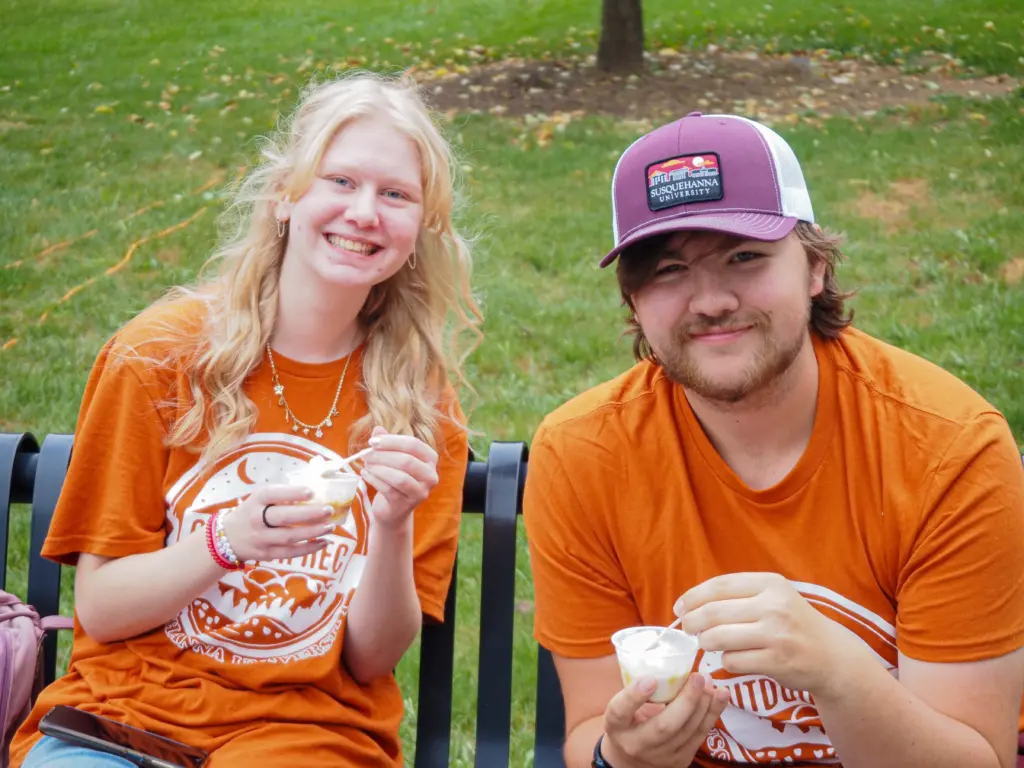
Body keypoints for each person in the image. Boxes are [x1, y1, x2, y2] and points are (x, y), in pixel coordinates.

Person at [523, 111, 1024, 768]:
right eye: (669, 270)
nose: (710, 301)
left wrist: (836, 671)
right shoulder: (581, 456)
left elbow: (976, 757)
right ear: (633, 300)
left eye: (744, 257)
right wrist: (623, 753)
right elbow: (591, 724)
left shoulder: (950, 452)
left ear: (815, 267)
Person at [12, 72, 482, 768]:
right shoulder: (159, 356)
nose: (364, 213)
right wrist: (226, 541)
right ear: (285, 197)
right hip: (123, 720)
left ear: (419, 230)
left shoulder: (419, 401)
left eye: (396, 195)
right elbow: (103, 608)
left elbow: (372, 655)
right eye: (340, 182)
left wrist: (390, 522)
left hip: (306, 733)